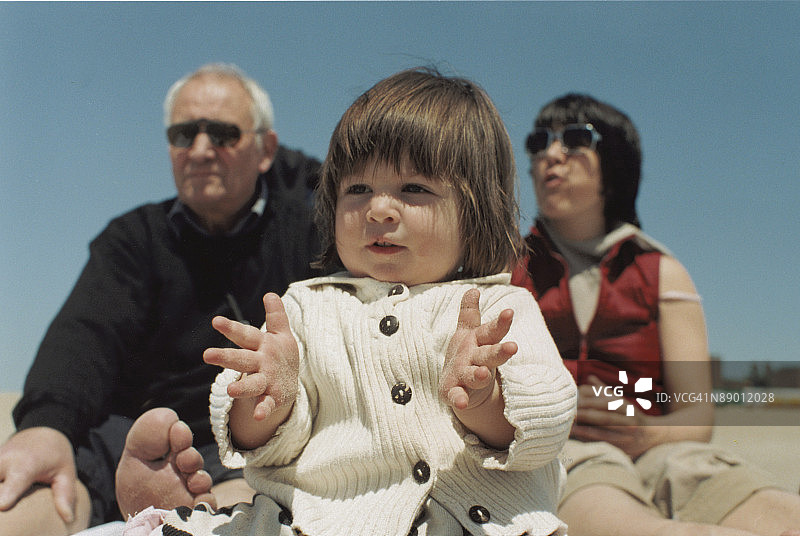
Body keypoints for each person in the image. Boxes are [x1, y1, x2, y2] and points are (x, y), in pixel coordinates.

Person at [118, 67, 578, 536]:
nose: (378, 209)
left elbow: (546, 425)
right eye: (357, 190)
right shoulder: (306, 309)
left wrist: (484, 400)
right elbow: (270, 451)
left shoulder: (498, 309)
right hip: (316, 518)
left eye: (414, 188)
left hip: (466, 518)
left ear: (476, 211)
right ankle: (155, 520)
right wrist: (269, 399)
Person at [0, 63, 325, 536]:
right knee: (32, 492)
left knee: (247, 500)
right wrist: (44, 427)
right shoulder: (132, 239)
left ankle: (194, 513)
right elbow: (84, 338)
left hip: (254, 449)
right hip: (134, 441)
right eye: (183, 134)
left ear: (265, 151)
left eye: (223, 134)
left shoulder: (311, 237)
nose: (201, 150)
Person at [511, 93, 800, 536]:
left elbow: (696, 417)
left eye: (574, 139)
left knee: (773, 510)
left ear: (614, 162)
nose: (551, 154)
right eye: (538, 143)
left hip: (660, 450)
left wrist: (646, 434)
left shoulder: (662, 272)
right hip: (560, 452)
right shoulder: (507, 265)